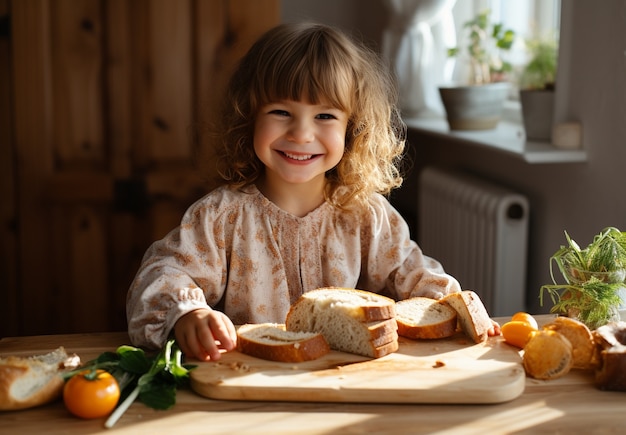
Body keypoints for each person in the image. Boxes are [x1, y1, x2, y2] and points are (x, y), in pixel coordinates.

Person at [126, 22, 499, 362]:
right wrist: (189, 313)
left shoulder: (366, 214)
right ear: (248, 115)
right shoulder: (220, 216)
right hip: (250, 384)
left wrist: (457, 306)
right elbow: (162, 274)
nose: (301, 134)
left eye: (324, 116)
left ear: (353, 128)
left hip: (346, 385)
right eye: (280, 112)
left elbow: (413, 273)